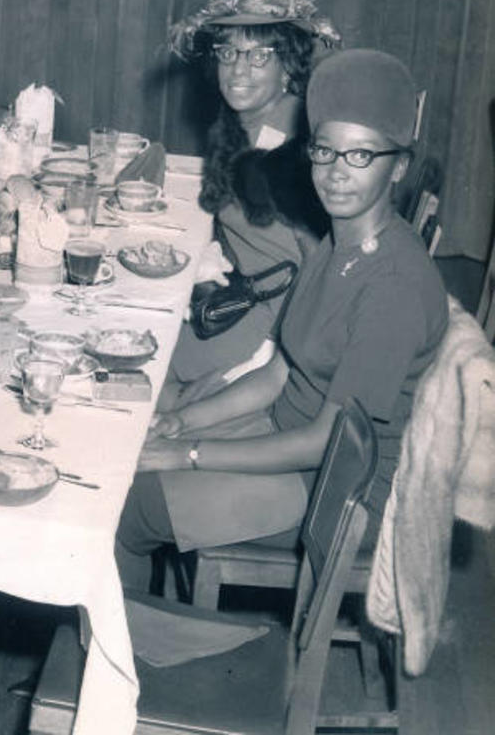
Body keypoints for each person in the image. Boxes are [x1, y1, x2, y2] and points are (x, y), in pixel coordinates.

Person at [117, 49, 448, 575]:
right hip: (285, 432)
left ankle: (132, 627)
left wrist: (189, 453)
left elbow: (326, 442)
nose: (336, 173)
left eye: (361, 156)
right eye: (325, 151)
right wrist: (182, 423)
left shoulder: (395, 287)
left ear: (399, 167)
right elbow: (278, 375)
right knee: (125, 457)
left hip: (339, 491)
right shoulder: (333, 244)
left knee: (132, 507)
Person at [162, 0, 340, 403]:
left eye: (260, 55)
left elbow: (323, 263)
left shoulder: (293, 146)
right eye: (229, 52)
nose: (238, 69)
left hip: (268, 321)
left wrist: (269, 356)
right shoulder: (244, 122)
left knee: (140, 371)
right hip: (236, 295)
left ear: (288, 67)